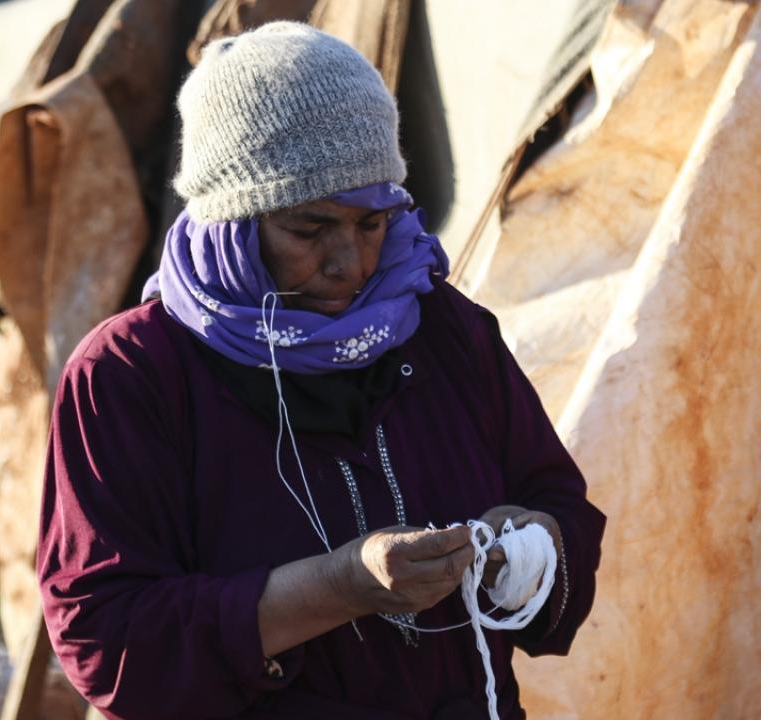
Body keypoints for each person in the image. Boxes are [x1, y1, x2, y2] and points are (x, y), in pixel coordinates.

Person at [37, 22, 605, 720]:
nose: (352, 265)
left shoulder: (444, 331)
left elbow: (561, 506)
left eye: (372, 224)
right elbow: (106, 637)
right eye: (309, 230)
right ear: (231, 223)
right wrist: (341, 585)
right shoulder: (131, 376)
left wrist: (529, 552)